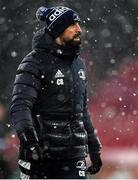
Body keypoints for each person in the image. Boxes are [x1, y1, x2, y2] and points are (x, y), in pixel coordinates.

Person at [10, 6, 102, 179]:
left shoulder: (79, 64)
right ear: (57, 29)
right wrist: (30, 144)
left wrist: (94, 147)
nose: (79, 29)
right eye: (72, 24)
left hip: (74, 159)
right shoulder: (33, 63)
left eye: (79, 24)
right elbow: (20, 107)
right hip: (41, 158)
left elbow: (81, 112)